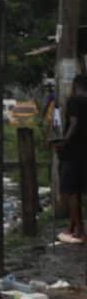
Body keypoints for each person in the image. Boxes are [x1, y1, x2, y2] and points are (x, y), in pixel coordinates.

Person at [54, 74, 87, 243]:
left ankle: (80, 231)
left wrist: (64, 142)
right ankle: (73, 228)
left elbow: (73, 123)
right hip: (84, 153)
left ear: (75, 86)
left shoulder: (74, 101)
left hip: (72, 153)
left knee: (72, 193)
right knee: (79, 192)